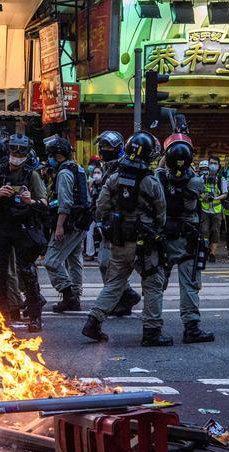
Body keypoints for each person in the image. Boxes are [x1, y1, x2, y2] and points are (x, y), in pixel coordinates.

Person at [81, 131, 171, 346]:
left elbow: (100, 209)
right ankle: (151, 331)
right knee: (153, 284)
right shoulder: (151, 181)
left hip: (119, 241)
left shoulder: (113, 178)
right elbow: (161, 214)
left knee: (114, 284)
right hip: (145, 243)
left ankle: (93, 322)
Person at [0, 133, 48, 332]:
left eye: (21, 150)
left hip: (23, 227)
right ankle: (3, 316)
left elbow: (44, 203)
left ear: (27, 153)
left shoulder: (31, 174)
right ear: (8, 151)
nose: (17, 154)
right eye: (14, 149)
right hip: (1, 226)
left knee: (27, 271)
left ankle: (35, 317)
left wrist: (30, 201)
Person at [155, 133, 214, 343]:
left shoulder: (158, 179)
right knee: (189, 284)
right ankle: (191, 328)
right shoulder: (196, 181)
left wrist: (167, 155)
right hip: (188, 238)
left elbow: (163, 170)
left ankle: (152, 326)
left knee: (156, 284)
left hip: (163, 238)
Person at [94, 130, 141, 317]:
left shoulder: (124, 168)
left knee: (109, 263)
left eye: (108, 147)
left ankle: (123, 297)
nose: (104, 150)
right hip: (109, 222)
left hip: (123, 223)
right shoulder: (107, 167)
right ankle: (125, 296)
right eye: (102, 147)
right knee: (106, 264)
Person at [43, 135, 89, 313]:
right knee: (74, 259)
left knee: (51, 261)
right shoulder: (77, 168)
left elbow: (65, 202)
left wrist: (59, 226)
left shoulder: (64, 173)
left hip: (69, 223)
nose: (49, 159)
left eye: (51, 155)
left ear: (58, 155)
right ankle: (76, 295)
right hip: (81, 222)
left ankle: (68, 294)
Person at [199, 158, 227, 262]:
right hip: (205, 209)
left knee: (215, 231)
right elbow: (198, 192)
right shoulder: (202, 178)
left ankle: (212, 253)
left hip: (217, 210)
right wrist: (204, 197)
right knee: (204, 231)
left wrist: (215, 198)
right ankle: (205, 250)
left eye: (215, 163)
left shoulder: (221, 179)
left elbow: (225, 194)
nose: (213, 165)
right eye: (211, 163)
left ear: (219, 166)